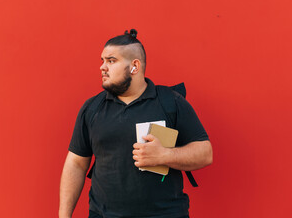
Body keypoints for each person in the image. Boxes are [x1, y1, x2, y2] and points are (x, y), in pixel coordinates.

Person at [59, 29, 213, 218]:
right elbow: (76, 163)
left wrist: (165, 155)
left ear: (134, 66)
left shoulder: (170, 102)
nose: (102, 67)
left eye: (111, 60)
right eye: (102, 60)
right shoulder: (92, 109)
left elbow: (205, 153)